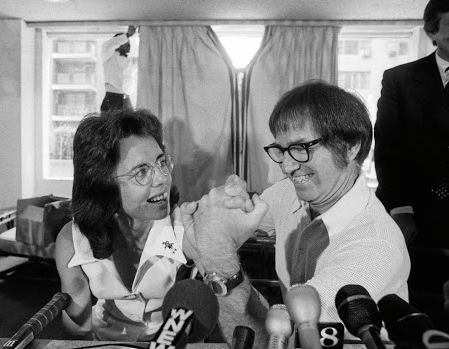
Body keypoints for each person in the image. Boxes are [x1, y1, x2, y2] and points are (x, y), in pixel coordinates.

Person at [180, 81, 411, 345]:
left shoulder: (375, 247)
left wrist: (219, 260)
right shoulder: (288, 194)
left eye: (302, 148)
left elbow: (280, 342)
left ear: (351, 146)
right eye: (281, 150)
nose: (287, 166)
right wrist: (218, 211)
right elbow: (222, 230)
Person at [55, 108, 190, 341]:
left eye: (161, 163)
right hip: (104, 342)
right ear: (102, 185)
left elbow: (191, 311)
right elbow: (78, 325)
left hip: (168, 343)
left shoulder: (186, 228)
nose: (162, 179)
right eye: (142, 172)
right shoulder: (72, 240)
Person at [374, 0, 449, 249]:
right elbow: (387, 147)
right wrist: (400, 206)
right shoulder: (399, 79)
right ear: (432, 32)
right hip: (413, 213)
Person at [100, 26, 137, 112]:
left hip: (127, 100)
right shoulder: (108, 56)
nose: (129, 44)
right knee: (110, 125)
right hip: (112, 99)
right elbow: (109, 45)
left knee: (132, 125)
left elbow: (145, 59)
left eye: (129, 42)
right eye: (126, 42)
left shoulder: (130, 62)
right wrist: (127, 35)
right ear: (117, 44)